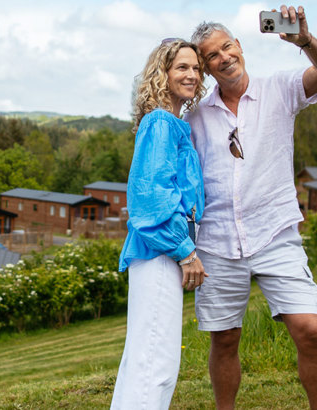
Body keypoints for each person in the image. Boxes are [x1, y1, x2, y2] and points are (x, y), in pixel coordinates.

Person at [184, 5, 317, 410]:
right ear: (205, 67)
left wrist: (303, 39)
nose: (224, 58)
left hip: (275, 233)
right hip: (217, 242)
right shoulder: (196, 117)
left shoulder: (280, 88)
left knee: (310, 329)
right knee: (225, 338)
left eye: (227, 47)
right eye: (211, 56)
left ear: (239, 46)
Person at [111, 37, 208, 409]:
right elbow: (149, 202)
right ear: (162, 73)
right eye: (182, 67)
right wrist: (186, 253)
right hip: (160, 251)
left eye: (196, 68)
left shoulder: (172, 123)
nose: (192, 75)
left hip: (162, 252)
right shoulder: (161, 123)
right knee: (156, 360)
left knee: (145, 356)